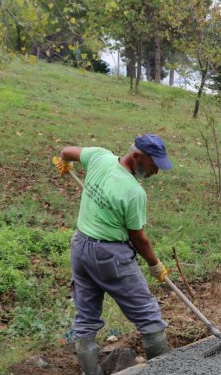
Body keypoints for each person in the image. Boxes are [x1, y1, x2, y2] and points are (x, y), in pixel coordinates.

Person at [54, 134, 174, 375]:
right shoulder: (133, 192)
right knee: (148, 316)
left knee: (86, 318)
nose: (156, 172)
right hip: (109, 256)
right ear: (137, 156)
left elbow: (67, 151)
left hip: (81, 247)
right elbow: (138, 238)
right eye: (153, 165)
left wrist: (65, 163)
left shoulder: (99, 156)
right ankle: (166, 371)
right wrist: (154, 264)